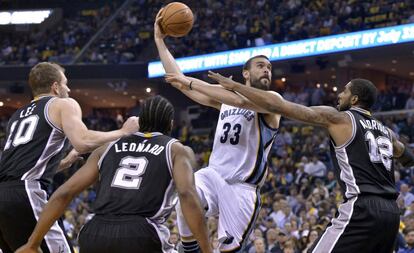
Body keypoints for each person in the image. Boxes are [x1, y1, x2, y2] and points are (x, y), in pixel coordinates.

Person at [212, 75, 414, 252]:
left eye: (344, 92)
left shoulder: (340, 118)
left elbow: (278, 106)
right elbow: (408, 157)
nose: (339, 96)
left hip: (362, 208)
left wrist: (236, 86)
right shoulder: (387, 132)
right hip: (391, 213)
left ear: (354, 99)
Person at [15, 95, 212, 253]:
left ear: (139, 122)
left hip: (95, 232)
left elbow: (64, 193)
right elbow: (187, 195)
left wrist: (33, 243)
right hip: (141, 232)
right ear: (170, 124)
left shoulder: (107, 148)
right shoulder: (177, 150)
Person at [154, 11, 281, 253]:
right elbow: (179, 81)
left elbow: (243, 102)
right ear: (246, 74)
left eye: (269, 67)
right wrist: (160, 42)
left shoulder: (272, 100)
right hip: (213, 175)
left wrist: (193, 81)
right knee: (186, 193)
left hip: (242, 187)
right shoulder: (225, 100)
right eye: (260, 66)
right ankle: (189, 247)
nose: (267, 70)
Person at [0, 62, 138, 253]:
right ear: (55, 86)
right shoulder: (62, 104)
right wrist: (123, 132)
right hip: (27, 192)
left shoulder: (17, 116)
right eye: (65, 83)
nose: (69, 88)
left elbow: (23, 164)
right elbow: (82, 141)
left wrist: (65, 162)